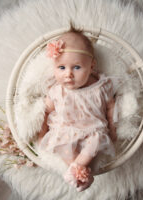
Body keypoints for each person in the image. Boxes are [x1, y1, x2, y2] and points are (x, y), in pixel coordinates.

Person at [37, 26, 117, 192]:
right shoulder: (56, 91)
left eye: (77, 67)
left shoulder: (100, 86)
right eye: (61, 68)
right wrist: (41, 133)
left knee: (98, 139)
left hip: (93, 131)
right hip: (65, 131)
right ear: (54, 67)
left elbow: (110, 106)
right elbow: (45, 112)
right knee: (60, 142)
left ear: (92, 65)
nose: (68, 74)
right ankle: (80, 173)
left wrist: (113, 127)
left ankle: (78, 168)